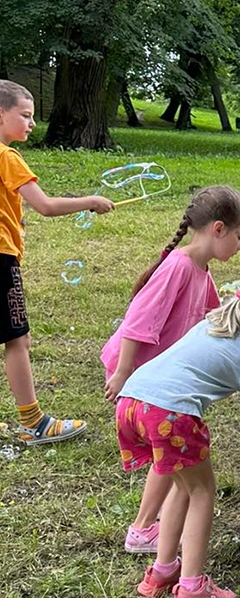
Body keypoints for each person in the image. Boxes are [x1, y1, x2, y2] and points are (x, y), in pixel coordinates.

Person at [102, 185, 240, 553]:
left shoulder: (202, 270)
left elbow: (215, 319)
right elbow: (139, 321)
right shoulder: (179, 267)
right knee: (170, 455)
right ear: (218, 229)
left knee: (170, 454)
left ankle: (147, 526)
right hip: (142, 376)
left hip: (164, 384)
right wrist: (123, 372)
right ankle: (142, 529)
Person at [115, 277, 240, 598]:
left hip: (131, 401)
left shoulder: (209, 326)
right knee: (203, 490)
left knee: (182, 485)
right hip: (169, 415)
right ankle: (192, 588)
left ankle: (162, 571)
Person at [0, 80, 115, 445]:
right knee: (18, 340)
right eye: (26, 115)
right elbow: (45, 206)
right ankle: (33, 422)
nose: (32, 123)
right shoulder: (8, 157)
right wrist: (90, 200)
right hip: (1, 259)